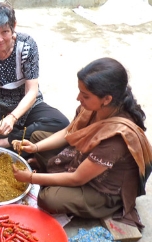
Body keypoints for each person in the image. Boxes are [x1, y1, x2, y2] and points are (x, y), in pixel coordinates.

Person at [11, 57, 152, 229]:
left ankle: (107, 205)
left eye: (85, 95)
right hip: (84, 161)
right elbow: (69, 132)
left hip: (102, 187)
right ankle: (48, 169)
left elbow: (77, 178)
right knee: (37, 137)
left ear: (106, 99)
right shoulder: (94, 106)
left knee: (48, 199)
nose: (79, 98)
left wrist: (31, 178)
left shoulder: (116, 138)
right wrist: (36, 148)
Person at [0, 2, 69, 152]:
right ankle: (17, 137)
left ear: (14, 26)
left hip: (26, 105)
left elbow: (32, 91)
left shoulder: (27, 46)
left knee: (60, 122)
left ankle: (6, 141)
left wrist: (12, 118)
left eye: (5, 32)